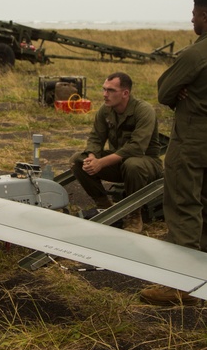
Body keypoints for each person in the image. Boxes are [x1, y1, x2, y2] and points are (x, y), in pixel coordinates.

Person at [140, 0, 207, 305]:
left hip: (191, 134)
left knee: (183, 205)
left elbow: (164, 91)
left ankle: (178, 286)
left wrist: (182, 93)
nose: (192, 18)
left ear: (206, 16)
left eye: (195, 13)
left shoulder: (196, 53)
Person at [70, 72, 163, 233]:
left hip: (146, 164)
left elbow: (136, 147)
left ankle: (133, 214)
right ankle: (104, 206)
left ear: (125, 93)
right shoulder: (105, 110)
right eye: (104, 89)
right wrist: (92, 158)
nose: (105, 94)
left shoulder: (144, 111)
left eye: (111, 90)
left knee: (133, 164)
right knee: (78, 160)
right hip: (119, 163)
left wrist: (101, 163)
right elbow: (96, 138)